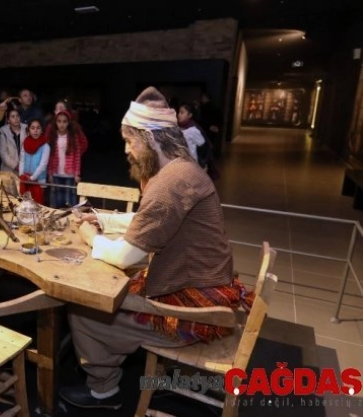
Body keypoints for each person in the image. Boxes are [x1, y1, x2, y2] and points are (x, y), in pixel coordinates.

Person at [59, 87, 249, 410]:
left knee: (85, 309)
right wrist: (103, 218)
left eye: (129, 140)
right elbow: (149, 220)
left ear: (149, 138)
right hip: (208, 290)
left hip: (195, 310)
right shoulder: (182, 168)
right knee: (117, 289)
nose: (126, 150)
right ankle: (113, 359)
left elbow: (125, 256)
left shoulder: (169, 185)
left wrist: (90, 236)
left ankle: (103, 389)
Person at [47, 110, 84, 208]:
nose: (62, 124)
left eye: (64, 121)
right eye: (59, 121)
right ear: (55, 122)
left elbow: (77, 156)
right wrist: (50, 173)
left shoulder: (73, 137)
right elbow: (50, 156)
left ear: (68, 123)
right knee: (58, 198)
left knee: (69, 199)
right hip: (56, 173)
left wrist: (76, 173)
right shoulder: (53, 136)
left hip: (69, 174)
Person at [18, 119, 49, 204]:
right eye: (32, 128)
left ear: (42, 130)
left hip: (39, 181)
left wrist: (32, 178)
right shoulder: (25, 143)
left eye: (38, 128)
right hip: (25, 181)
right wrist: (21, 175)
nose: (35, 130)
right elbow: (22, 160)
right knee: (24, 204)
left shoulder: (45, 146)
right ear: (29, 130)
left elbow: (43, 165)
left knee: (37, 205)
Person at [0, 108, 27, 174]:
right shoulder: (4, 132)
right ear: (8, 120)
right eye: (13, 117)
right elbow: (3, 153)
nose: (16, 118)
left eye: (17, 116)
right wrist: (15, 166)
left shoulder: (26, 129)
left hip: (25, 167)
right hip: (8, 169)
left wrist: (23, 166)